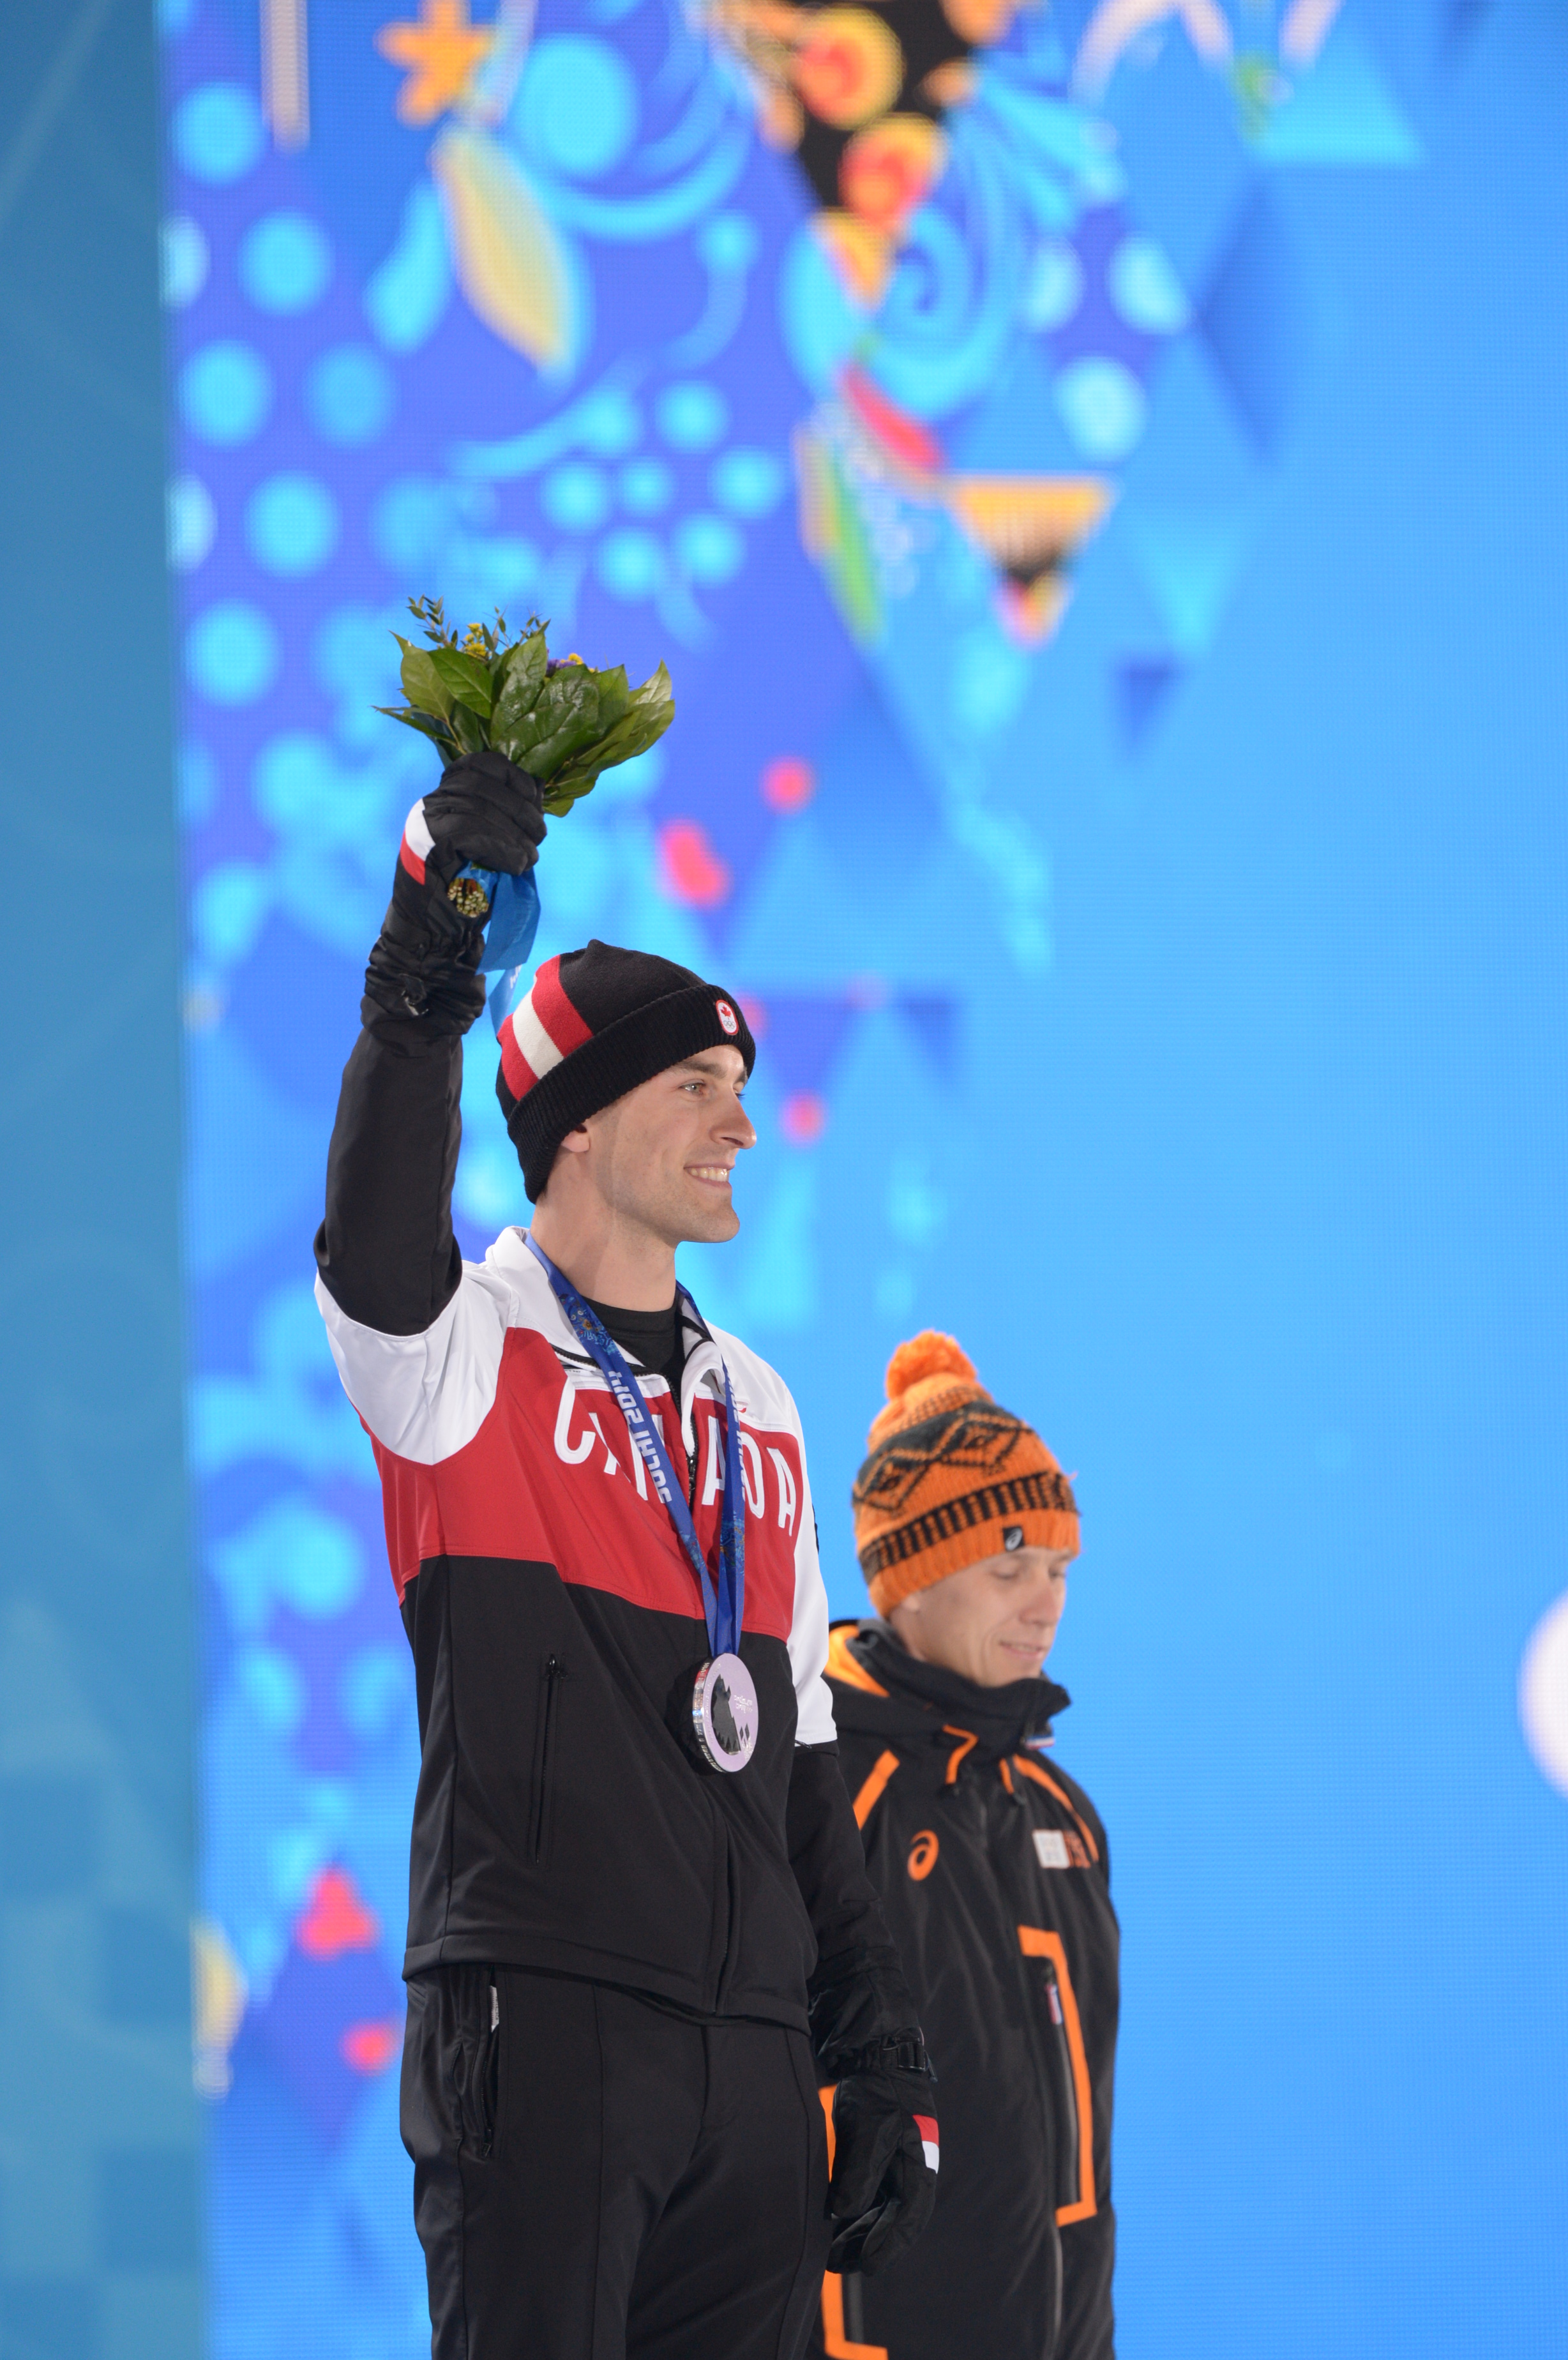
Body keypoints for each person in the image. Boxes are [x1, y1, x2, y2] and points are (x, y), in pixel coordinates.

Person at [312, 749, 938, 2360]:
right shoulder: (461, 1353)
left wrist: (869, 2053)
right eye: (697, 1090)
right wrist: (421, 976)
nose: (743, 1124)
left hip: (747, 2048)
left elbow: (800, 1760)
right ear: (579, 1128)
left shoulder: (763, 1408)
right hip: (548, 2016)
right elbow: (377, 1232)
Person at [810, 1332, 1119, 2360]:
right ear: (909, 1579)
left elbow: (1078, 2173)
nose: (1047, 1605)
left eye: (1059, 1569)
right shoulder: (811, 1792)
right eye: (1009, 1569)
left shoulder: (1059, 1815)